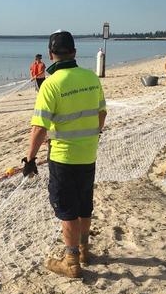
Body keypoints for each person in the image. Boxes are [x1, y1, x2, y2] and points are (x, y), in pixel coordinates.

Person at [22, 30, 107, 279]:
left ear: (51, 54)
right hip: (88, 154)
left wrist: (29, 159)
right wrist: (92, 134)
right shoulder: (91, 77)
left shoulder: (51, 84)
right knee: (84, 205)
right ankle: (84, 251)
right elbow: (102, 113)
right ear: (75, 52)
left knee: (67, 210)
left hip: (63, 158)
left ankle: (71, 262)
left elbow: (39, 127)